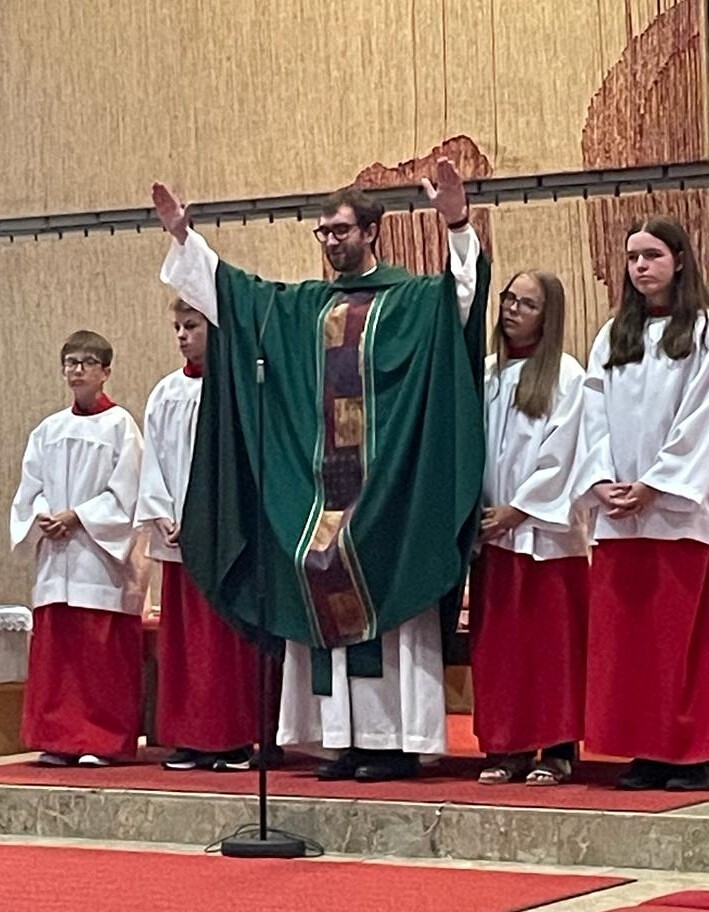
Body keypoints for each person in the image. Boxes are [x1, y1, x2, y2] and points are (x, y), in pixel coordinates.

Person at [151, 158, 489, 781]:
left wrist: (457, 224)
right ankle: (343, 742)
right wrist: (184, 239)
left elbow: (461, 302)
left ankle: (394, 744)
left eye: (341, 230)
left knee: (389, 601)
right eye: (324, 232)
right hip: (321, 495)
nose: (331, 241)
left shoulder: (410, 301)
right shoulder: (303, 307)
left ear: (371, 231)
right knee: (318, 570)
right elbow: (236, 296)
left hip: (388, 495)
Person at [574, 216, 709, 790]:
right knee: (631, 642)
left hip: (678, 510)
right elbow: (591, 416)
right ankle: (647, 751)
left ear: (679, 260)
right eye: (632, 257)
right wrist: (602, 479)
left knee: (680, 641)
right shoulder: (613, 336)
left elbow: (701, 416)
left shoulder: (701, 331)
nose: (640, 266)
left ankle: (692, 754)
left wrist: (655, 483)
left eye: (652, 255)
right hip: (620, 512)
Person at [469, 271, 589, 785]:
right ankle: (508, 747)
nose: (512, 309)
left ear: (548, 316)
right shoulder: (486, 374)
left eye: (527, 304)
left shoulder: (567, 376)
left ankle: (558, 750)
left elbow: (565, 453)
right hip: (492, 534)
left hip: (546, 537)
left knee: (550, 647)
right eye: (509, 299)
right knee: (502, 649)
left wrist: (518, 510)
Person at [10, 330, 148, 767]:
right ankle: (59, 740)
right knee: (60, 658)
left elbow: (128, 493)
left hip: (98, 560)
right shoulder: (48, 430)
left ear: (106, 371)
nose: (77, 370)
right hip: (57, 559)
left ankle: (101, 741)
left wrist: (78, 516)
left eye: (87, 363)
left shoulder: (121, 426)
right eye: (71, 362)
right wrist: (45, 515)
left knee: (99, 658)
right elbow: (30, 490)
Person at [135, 300, 260, 771]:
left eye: (192, 326)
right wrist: (163, 514)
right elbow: (153, 462)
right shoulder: (166, 393)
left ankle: (230, 738)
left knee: (223, 642)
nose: (182, 336)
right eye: (177, 327)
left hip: (225, 538)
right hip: (177, 538)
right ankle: (188, 736)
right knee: (184, 644)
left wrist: (207, 517)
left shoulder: (237, 388)